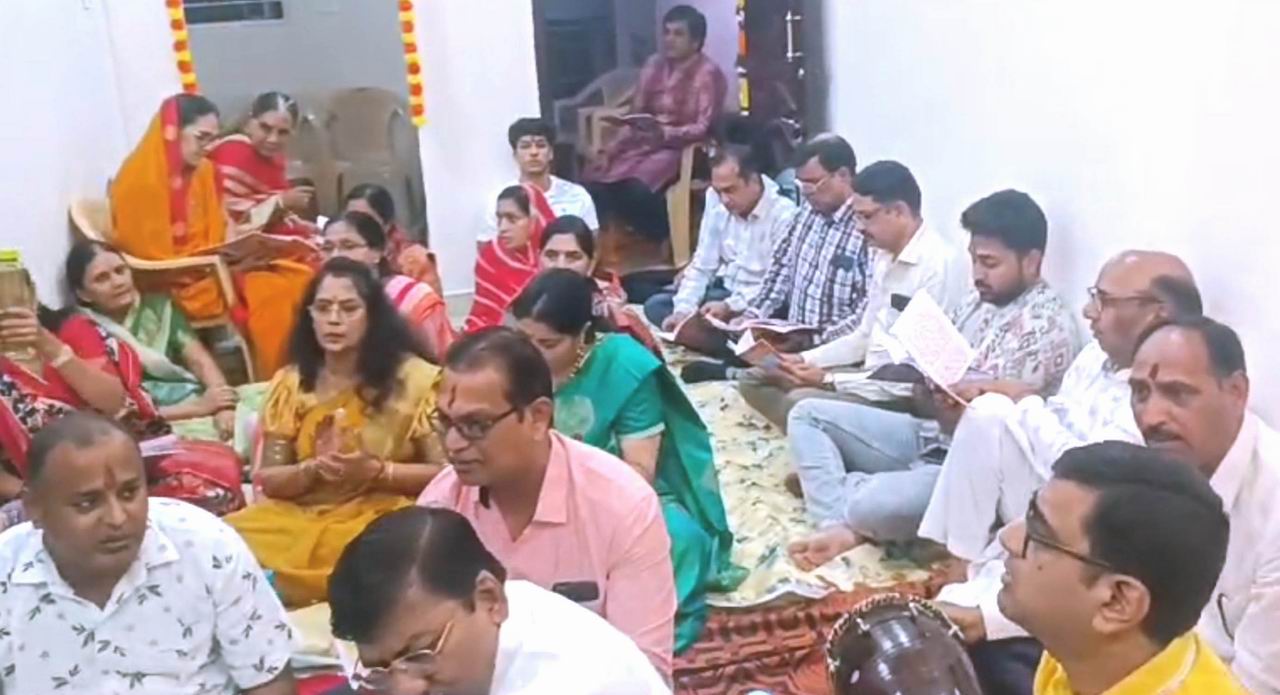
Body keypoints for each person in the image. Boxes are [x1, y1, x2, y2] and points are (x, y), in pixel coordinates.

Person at [939, 316, 1280, 695]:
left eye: (1178, 393)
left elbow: (1257, 685)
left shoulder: (1272, 510)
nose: (1151, 416)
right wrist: (986, 619)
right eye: (1140, 392)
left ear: (1236, 391)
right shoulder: (1159, 448)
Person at [787, 190, 1082, 569]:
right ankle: (838, 523)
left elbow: (990, 444)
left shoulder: (1045, 329)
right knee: (806, 414)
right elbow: (936, 389)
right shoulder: (978, 300)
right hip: (930, 430)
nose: (977, 274)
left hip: (964, 470)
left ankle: (850, 499)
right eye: (974, 260)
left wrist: (952, 406)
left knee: (871, 505)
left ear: (1031, 261)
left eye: (990, 263)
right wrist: (925, 381)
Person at [418, 328, 677, 677]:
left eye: (475, 424)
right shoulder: (440, 506)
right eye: (445, 422)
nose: (453, 444)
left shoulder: (622, 506)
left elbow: (644, 673)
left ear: (538, 417)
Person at [510, 270, 744, 652]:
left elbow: (639, 473)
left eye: (547, 344)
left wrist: (576, 499)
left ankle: (630, 647)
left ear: (583, 333)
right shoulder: (509, 362)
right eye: (524, 340)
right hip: (523, 493)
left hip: (609, 496)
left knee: (681, 539)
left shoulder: (623, 366)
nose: (531, 354)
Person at [918, 251, 1201, 563]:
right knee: (987, 411)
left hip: (1088, 522)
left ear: (1156, 314)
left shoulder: (1156, 396)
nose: (1088, 312)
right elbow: (1056, 417)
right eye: (1093, 297)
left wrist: (1024, 401)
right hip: (1042, 483)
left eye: (1104, 301)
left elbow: (1083, 473)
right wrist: (997, 394)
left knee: (884, 503)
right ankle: (959, 555)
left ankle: (966, 559)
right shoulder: (1095, 355)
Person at [0, 413, 295, 695]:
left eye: (129, 493)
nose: (117, 518)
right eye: (88, 503)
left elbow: (267, 677)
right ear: (35, 508)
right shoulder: (6, 571)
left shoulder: (207, 547)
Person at [224, 259, 444, 606]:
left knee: (386, 551)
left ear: (373, 316)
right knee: (224, 539)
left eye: (349, 308)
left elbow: (446, 475)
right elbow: (270, 479)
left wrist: (377, 472)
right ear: (310, 316)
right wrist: (312, 470)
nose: (334, 319)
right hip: (301, 516)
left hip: (380, 513)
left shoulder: (417, 381)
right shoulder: (293, 382)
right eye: (323, 308)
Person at [328, 506, 670, 694]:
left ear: (490, 599)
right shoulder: (487, 614)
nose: (406, 689)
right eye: (380, 668)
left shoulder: (570, 681)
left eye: (420, 654)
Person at [996, 442, 1245, 694]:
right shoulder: (1077, 649)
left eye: (1039, 535)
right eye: (1030, 515)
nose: (1007, 538)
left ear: (1116, 601)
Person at [739, 160, 972, 426]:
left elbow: (916, 377)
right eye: (856, 217)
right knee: (756, 378)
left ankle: (828, 432)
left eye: (866, 216)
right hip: (866, 375)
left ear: (899, 211)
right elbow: (863, 336)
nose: (859, 228)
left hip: (899, 395)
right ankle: (823, 432)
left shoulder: (937, 267)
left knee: (800, 402)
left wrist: (829, 380)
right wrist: (803, 360)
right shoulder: (882, 256)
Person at [110, 93, 313, 377]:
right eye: (201, 138)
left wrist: (241, 248)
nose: (208, 148)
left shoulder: (203, 171)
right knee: (274, 296)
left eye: (212, 139)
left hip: (214, 265)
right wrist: (218, 262)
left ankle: (304, 372)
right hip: (179, 279)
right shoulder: (141, 181)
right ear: (171, 133)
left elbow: (221, 223)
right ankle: (273, 379)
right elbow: (149, 257)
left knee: (300, 277)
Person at [0, 296, 243, 517]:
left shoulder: (72, 331)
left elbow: (113, 402)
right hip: (49, 490)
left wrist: (51, 348)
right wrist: (33, 496)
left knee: (210, 492)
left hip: (125, 464)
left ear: (29, 293)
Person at [65, 240, 241, 440]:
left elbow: (199, 360)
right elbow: (116, 410)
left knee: (265, 408)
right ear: (83, 294)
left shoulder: (159, 308)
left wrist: (223, 407)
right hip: (146, 423)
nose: (118, 282)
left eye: (120, 271)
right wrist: (198, 408)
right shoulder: (83, 331)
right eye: (102, 278)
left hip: (193, 398)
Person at [643, 144, 798, 330]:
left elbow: (778, 286)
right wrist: (683, 311)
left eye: (730, 190)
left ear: (753, 180)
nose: (724, 199)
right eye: (719, 191)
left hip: (759, 304)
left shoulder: (784, 215)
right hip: (725, 292)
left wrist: (730, 306)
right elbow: (703, 265)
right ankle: (708, 332)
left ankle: (715, 334)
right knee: (656, 305)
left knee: (751, 323)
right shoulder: (715, 199)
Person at [584, 5, 727, 193]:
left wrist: (665, 133)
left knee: (634, 186)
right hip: (643, 143)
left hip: (683, 149)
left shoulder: (708, 73)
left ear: (695, 42)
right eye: (666, 32)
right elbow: (636, 114)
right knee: (595, 178)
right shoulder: (654, 64)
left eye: (678, 34)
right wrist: (610, 149)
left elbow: (704, 127)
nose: (669, 39)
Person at [320, 211, 455, 361]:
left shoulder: (414, 297)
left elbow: (442, 361)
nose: (336, 256)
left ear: (378, 252)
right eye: (327, 248)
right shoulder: (317, 300)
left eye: (348, 246)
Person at [539, 215, 661, 355]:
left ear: (591, 264)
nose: (561, 265)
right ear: (538, 257)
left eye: (573, 257)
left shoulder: (608, 312)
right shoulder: (527, 304)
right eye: (551, 256)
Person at [208, 90, 316, 237]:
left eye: (283, 132)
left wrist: (297, 222)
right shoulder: (233, 151)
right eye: (265, 128)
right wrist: (280, 202)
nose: (273, 139)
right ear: (248, 124)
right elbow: (229, 219)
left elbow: (273, 217)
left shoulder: (276, 160)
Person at [479, 118, 599, 248]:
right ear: (515, 155)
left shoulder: (577, 195)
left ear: (551, 153)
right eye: (525, 146)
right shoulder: (501, 199)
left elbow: (592, 245)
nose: (534, 152)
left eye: (541, 145)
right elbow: (486, 247)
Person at [463, 184, 556, 332]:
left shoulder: (557, 257)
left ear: (534, 219)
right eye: (499, 219)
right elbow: (483, 315)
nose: (502, 228)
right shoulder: (491, 257)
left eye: (512, 219)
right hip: (498, 337)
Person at [343, 182, 423, 282]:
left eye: (365, 220)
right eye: (350, 219)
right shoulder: (338, 255)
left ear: (387, 224)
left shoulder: (416, 259)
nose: (356, 226)